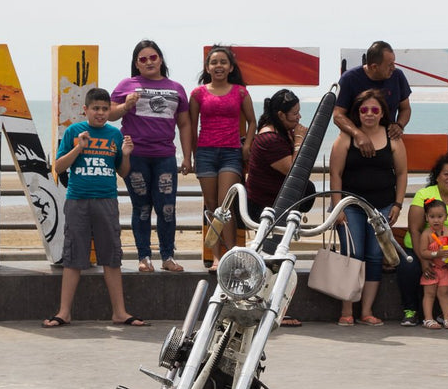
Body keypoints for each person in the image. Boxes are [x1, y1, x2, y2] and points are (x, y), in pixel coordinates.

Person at [43, 88, 146, 329]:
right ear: (86, 110)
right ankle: (64, 312)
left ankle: (119, 312)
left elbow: (122, 171)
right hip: (77, 201)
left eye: (104, 109)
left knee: (111, 257)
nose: (100, 113)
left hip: (106, 201)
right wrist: (79, 148)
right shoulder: (73, 131)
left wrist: (127, 154)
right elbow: (58, 167)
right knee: (73, 258)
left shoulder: (115, 134)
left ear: (110, 110)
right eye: (96, 109)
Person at [110, 39, 193, 273]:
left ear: (161, 59)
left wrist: (187, 157)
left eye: (153, 57)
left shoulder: (176, 87)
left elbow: (184, 124)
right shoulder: (127, 84)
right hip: (135, 156)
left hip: (165, 156)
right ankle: (144, 256)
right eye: (143, 59)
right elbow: (110, 115)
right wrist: (125, 106)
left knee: (167, 207)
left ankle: (168, 256)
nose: (149, 62)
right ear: (136, 64)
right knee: (142, 208)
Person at [328, 88, 408, 325]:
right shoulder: (345, 138)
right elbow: (336, 173)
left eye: (375, 110)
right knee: (352, 254)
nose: (369, 114)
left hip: (381, 207)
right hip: (350, 205)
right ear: (357, 113)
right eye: (364, 110)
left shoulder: (393, 138)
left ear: (383, 112)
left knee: (374, 256)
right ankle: (346, 311)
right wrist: (337, 208)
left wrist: (398, 204)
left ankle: (367, 311)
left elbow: (402, 173)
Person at [189, 46, 256, 268]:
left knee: (225, 206)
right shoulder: (198, 93)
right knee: (210, 206)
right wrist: (190, 156)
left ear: (230, 67)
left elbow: (252, 121)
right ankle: (216, 257)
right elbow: (190, 125)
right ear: (207, 67)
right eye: (214, 62)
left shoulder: (240, 92)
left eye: (223, 62)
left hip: (231, 153)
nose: (218, 66)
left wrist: (246, 145)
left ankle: (231, 255)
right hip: (206, 153)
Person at [396, 151, 448, 327]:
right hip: (420, 249)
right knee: (408, 266)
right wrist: (423, 259)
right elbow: (415, 230)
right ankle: (410, 310)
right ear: (437, 176)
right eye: (446, 174)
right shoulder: (424, 195)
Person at [332, 41, 412, 155]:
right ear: (374, 67)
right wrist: (358, 134)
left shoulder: (398, 76)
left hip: (387, 145)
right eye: (389, 65)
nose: (393, 68)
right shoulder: (349, 79)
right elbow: (337, 115)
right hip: (355, 145)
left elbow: (405, 108)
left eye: (394, 63)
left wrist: (399, 125)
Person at [245, 89, 309, 216]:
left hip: (277, 203)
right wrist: (299, 140)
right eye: (295, 113)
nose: (299, 117)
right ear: (281, 115)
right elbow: (294, 171)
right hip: (265, 207)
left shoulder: (283, 132)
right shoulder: (270, 139)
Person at [416, 198, 448, 330]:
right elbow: (423, 252)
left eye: (440, 216)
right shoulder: (426, 234)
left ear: (446, 216)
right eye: (432, 217)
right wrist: (436, 254)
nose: (436, 220)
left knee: (444, 293)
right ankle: (428, 319)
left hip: (445, 269)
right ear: (427, 217)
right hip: (432, 268)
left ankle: (447, 318)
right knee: (429, 293)